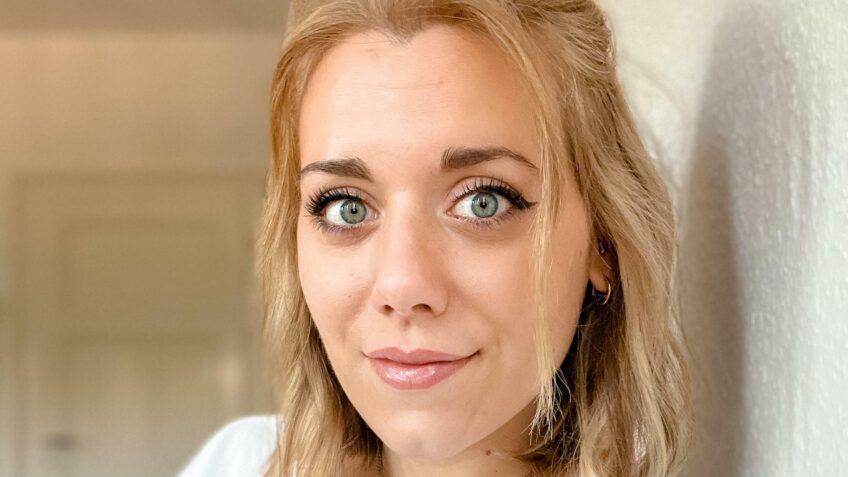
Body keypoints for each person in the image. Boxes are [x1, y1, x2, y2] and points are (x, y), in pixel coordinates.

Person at [179, 0, 691, 476]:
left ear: (603, 238)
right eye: (346, 207)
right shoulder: (237, 465)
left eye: (483, 201)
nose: (402, 286)